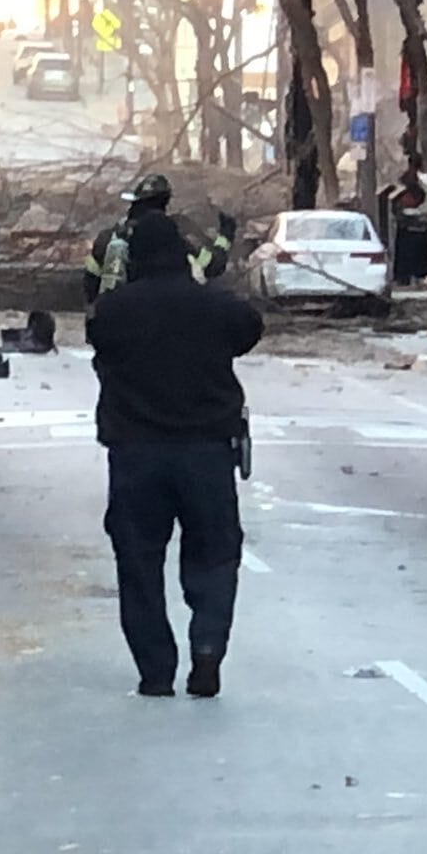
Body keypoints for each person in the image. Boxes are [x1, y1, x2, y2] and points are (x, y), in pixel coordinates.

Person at [87, 212, 264, 698]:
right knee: (214, 553)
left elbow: (99, 335)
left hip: (135, 454)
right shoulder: (215, 307)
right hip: (206, 452)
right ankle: (207, 646)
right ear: (183, 255)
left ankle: (155, 670)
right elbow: (250, 327)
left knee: (138, 562)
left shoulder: (115, 311)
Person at [83, 173, 237, 306]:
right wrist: (226, 235)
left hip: (117, 325)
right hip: (162, 322)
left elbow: (91, 283)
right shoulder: (174, 239)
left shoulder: (109, 238)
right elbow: (212, 265)